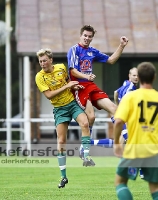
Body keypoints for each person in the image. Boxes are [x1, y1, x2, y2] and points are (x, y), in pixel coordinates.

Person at [113, 62, 158, 200]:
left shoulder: (130, 97)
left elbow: (118, 122)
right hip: (154, 150)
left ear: (139, 77)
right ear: (154, 77)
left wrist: (117, 144)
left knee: (120, 182)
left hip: (134, 148)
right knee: (156, 190)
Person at [35, 48, 95, 189]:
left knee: (85, 123)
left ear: (51, 60)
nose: (42, 63)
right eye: (40, 61)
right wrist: (67, 86)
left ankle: (86, 156)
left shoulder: (61, 67)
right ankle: (63, 176)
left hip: (72, 104)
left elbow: (69, 84)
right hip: (59, 109)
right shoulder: (40, 76)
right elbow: (49, 95)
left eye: (44, 60)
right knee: (61, 141)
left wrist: (75, 87)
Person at [67, 25, 129, 158]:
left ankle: (126, 136)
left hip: (91, 85)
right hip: (79, 86)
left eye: (90, 36)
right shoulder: (74, 50)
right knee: (92, 117)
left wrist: (121, 46)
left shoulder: (92, 51)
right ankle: (85, 146)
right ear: (80, 35)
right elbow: (72, 71)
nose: (87, 38)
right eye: (85, 36)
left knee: (114, 108)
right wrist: (86, 76)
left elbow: (111, 60)